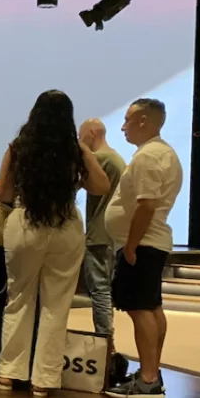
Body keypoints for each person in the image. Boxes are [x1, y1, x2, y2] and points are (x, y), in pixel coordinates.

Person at [0, 92, 109, 397]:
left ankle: (8, 372)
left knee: (19, 299)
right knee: (56, 305)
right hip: (65, 223)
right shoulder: (74, 150)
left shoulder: (19, 147)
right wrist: (81, 160)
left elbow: (3, 194)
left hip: (25, 221)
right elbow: (102, 185)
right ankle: (44, 379)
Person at [103, 98, 183, 398]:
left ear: (143, 120)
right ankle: (151, 372)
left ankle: (148, 379)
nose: (122, 127)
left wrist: (131, 246)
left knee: (140, 309)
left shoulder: (149, 156)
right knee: (150, 307)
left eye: (127, 120)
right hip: (149, 242)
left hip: (143, 244)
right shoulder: (159, 153)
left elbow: (146, 205)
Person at [78, 118, 126, 339]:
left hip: (98, 233)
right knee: (103, 288)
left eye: (81, 136)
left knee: (99, 290)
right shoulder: (116, 158)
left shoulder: (98, 159)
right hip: (112, 233)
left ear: (91, 133)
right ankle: (107, 338)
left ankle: (104, 339)